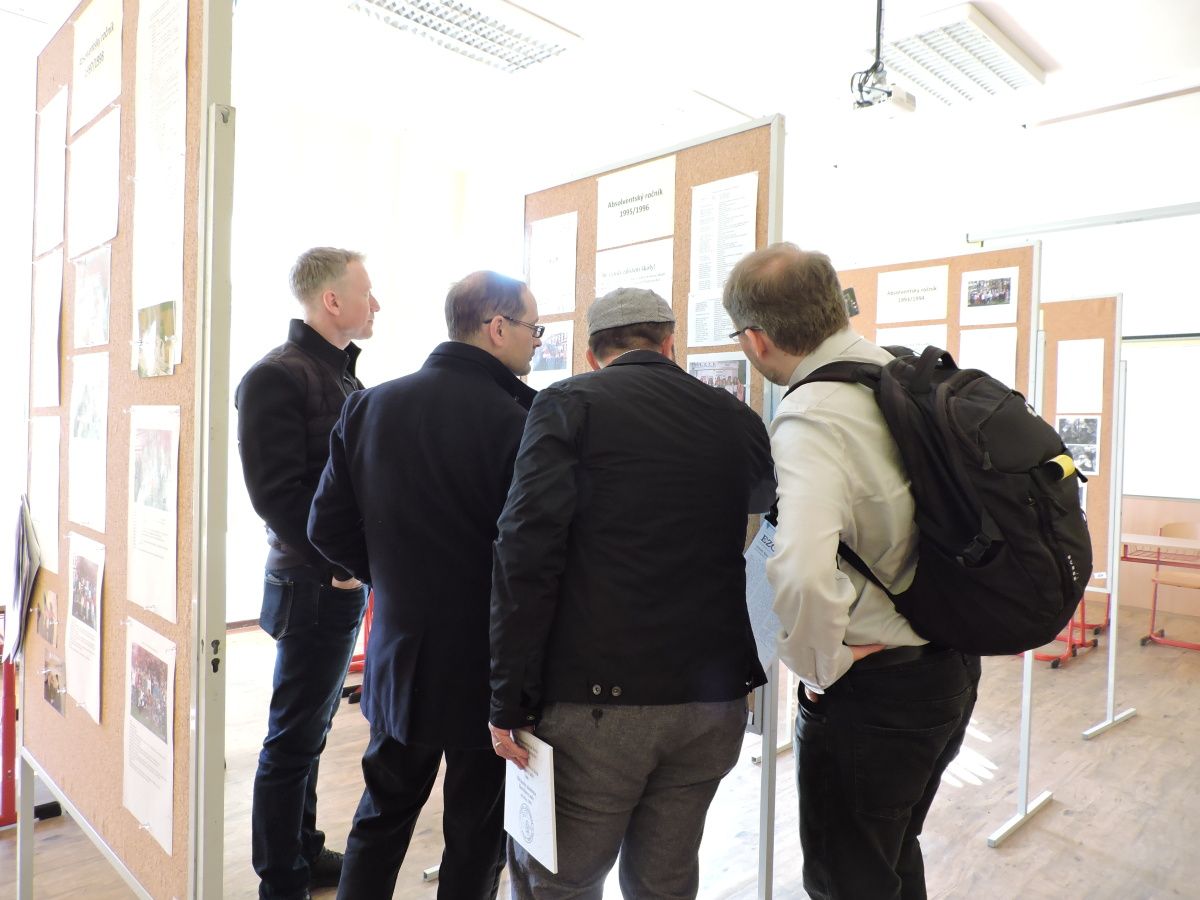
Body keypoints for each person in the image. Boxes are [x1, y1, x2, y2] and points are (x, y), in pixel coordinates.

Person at [489, 287, 776, 899]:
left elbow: (524, 552)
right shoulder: (732, 416)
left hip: (599, 703)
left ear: (592, 354)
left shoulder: (568, 403)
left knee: (559, 884)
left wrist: (508, 696)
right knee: (665, 883)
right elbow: (762, 500)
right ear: (669, 343)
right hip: (711, 702)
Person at [722, 242, 982, 900]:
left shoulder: (811, 415)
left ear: (755, 339)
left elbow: (803, 573)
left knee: (847, 881)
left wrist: (819, 671)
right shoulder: (903, 376)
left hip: (875, 693)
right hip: (951, 663)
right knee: (892, 856)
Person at [306, 270, 541, 900]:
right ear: (497, 328)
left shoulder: (371, 406)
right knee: (476, 836)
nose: (537, 341)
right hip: (486, 662)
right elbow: (532, 557)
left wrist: (390, 576)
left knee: (380, 818)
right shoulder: (522, 421)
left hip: (401, 652)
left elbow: (324, 526)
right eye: (533, 328)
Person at [235, 247, 379, 900]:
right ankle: (281, 877)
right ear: (332, 300)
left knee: (312, 731)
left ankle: (305, 849)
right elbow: (276, 496)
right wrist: (338, 564)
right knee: (292, 739)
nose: (376, 304)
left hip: (335, 582)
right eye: (367, 292)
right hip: (312, 582)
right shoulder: (277, 376)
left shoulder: (342, 376)